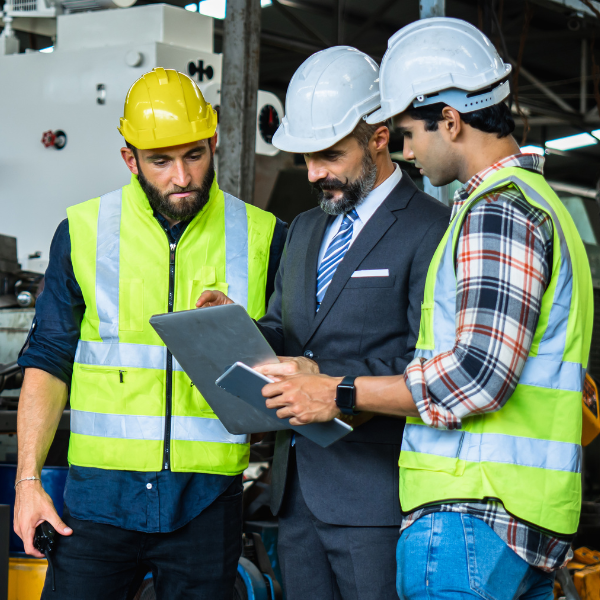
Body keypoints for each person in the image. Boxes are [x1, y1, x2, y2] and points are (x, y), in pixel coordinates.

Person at [259, 18, 594, 600]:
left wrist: (337, 391)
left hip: (474, 509)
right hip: (504, 514)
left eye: (409, 132)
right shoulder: (531, 206)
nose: (408, 150)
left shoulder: (496, 213)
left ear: (451, 120)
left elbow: (475, 375)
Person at [15, 67, 287, 600]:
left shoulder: (262, 236)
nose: (181, 177)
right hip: (97, 502)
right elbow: (48, 361)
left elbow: (291, 360)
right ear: (130, 159)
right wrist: (29, 484)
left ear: (213, 143)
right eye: (160, 161)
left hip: (207, 502)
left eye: (194, 156)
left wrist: (243, 334)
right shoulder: (83, 231)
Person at [196, 46, 450, 600]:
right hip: (295, 493)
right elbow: (284, 331)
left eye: (330, 156)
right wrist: (234, 328)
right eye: (305, 158)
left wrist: (327, 380)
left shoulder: (431, 229)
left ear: (379, 137)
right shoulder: (306, 228)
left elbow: (430, 363)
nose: (314, 174)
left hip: (375, 495)